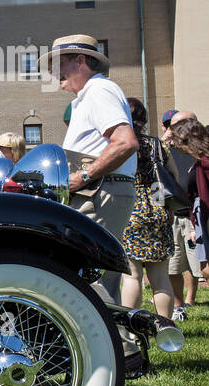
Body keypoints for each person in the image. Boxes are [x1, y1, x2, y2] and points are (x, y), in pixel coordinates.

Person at [51, 34, 138, 301]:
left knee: (90, 279)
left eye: (58, 64)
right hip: (101, 190)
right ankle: (117, 342)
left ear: (80, 61)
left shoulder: (99, 90)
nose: (54, 73)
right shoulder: (90, 95)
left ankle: (117, 342)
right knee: (95, 279)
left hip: (100, 191)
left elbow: (125, 142)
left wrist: (84, 176)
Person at [119, 98, 174, 319]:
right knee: (161, 277)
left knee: (132, 276)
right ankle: (166, 328)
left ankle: (132, 331)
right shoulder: (157, 145)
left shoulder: (121, 144)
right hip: (158, 209)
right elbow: (173, 178)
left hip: (129, 211)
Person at [161, 109, 200, 318]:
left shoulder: (200, 150)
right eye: (169, 125)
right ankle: (178, 307)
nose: (172, 129)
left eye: (176, 125)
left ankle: (191, 297)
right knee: (174, 265)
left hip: (195, 216)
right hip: (174, 215)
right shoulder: (167, 148)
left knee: (200, 267)